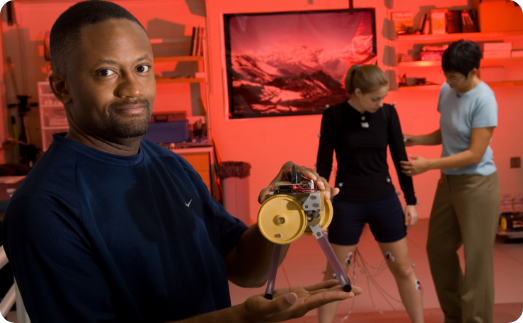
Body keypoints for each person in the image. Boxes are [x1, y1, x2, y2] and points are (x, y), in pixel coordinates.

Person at [1, 1, 362, 322]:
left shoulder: (170, 165)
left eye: (142, 68)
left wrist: (282, 208)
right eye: (106, 72)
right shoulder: (43, 210)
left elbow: (243, 267)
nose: (133, 89)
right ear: (62, 87)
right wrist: (240, 319)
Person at [315, 64, 424, 323]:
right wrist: (320, 198)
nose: (380, 102)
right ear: (358, 92)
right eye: (375, 98)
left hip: (383, 199)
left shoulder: (387, 114)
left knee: (404, 269)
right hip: (346, 202)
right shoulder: (334, 115)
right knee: (336, 274)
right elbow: (323, 163)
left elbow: (401, 159)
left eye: (383, 97)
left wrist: (411, 201)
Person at [401, 40, 499, 323]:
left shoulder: (484, 99)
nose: (449, 82)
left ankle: (477, 319)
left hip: (478, 185)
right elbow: (448, 132)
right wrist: (415, 139)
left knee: (478, 260)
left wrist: (429, 165)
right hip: (450, 183)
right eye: (446, 76)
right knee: (438, 249)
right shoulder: (447, 90)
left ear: (473, 72)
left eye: (455, 77)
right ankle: (455, 315)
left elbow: (474, 153)